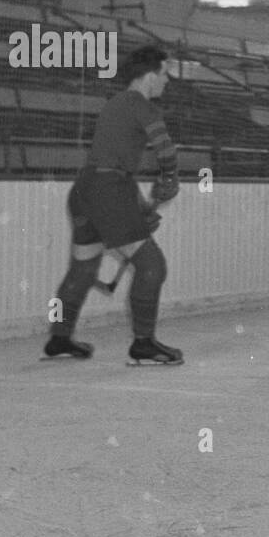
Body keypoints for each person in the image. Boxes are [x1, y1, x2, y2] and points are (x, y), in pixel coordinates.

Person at [43, 45, 182, 365]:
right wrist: (170, 175)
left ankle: (59, 339)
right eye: (164, 74)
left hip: (86, 189)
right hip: (109, 191)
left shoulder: (114, 105)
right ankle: (143, 344)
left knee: (82, 269)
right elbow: (165, 148)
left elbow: (111, 166)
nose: (167, 81)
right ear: (149, 75)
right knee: (152, 267)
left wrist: (140, 207)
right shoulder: (141, 104)